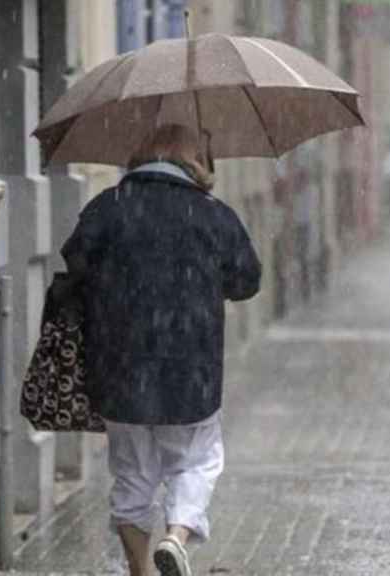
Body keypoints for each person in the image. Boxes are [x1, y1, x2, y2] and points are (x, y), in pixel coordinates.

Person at [61, 123, 262, 576]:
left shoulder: (107, 208)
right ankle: (176, 536)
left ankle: (140, 571)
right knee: (197, 460)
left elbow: (75, 267)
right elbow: (247, 280)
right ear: (195, 160)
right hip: (189, 370)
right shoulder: (212, 214)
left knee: (132, 473)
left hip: (119, 367)